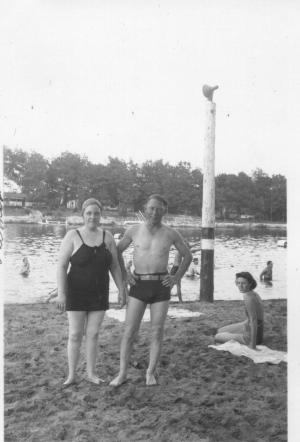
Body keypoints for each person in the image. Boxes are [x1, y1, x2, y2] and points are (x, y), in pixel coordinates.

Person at [110, 194, 192, 386]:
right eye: (151, 208)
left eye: (159, 209)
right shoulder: (133, 230)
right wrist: (124, 274)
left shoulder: (171, 233)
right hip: (138, 285)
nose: (154, 212)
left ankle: (150, 372)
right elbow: (116, 252)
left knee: (157, 331)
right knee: (130, 331)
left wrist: (176, 277)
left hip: (160, 286)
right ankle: (122, 373)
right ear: (145, 209)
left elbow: (187, 256)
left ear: (165, 211)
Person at [57, 198, 125, 385]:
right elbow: (62, 266)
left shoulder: (108, 237)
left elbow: (115, 266)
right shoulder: (72, 235)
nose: (92, 217)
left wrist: (121, 290)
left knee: (93, 334)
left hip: (99, 292)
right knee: (75, 334)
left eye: (96, 213)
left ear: (100, 215)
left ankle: (91, 373)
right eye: (89, 213)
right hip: (76, 292)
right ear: (83, 215)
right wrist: (61, 293)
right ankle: (71, 375)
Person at [214, 272, 264, 350]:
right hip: (253, 328)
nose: (240, 286)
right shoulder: (253, 293)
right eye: (238, 283)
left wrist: (252, 345)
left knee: (217, 336)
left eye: (243, 283)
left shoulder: (248, 298)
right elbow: (257, 318)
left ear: (250, 283)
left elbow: (254, 320)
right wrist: (244, 325)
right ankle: (241, 333)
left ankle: (248, 340)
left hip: (250, 337)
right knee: (219, 331)